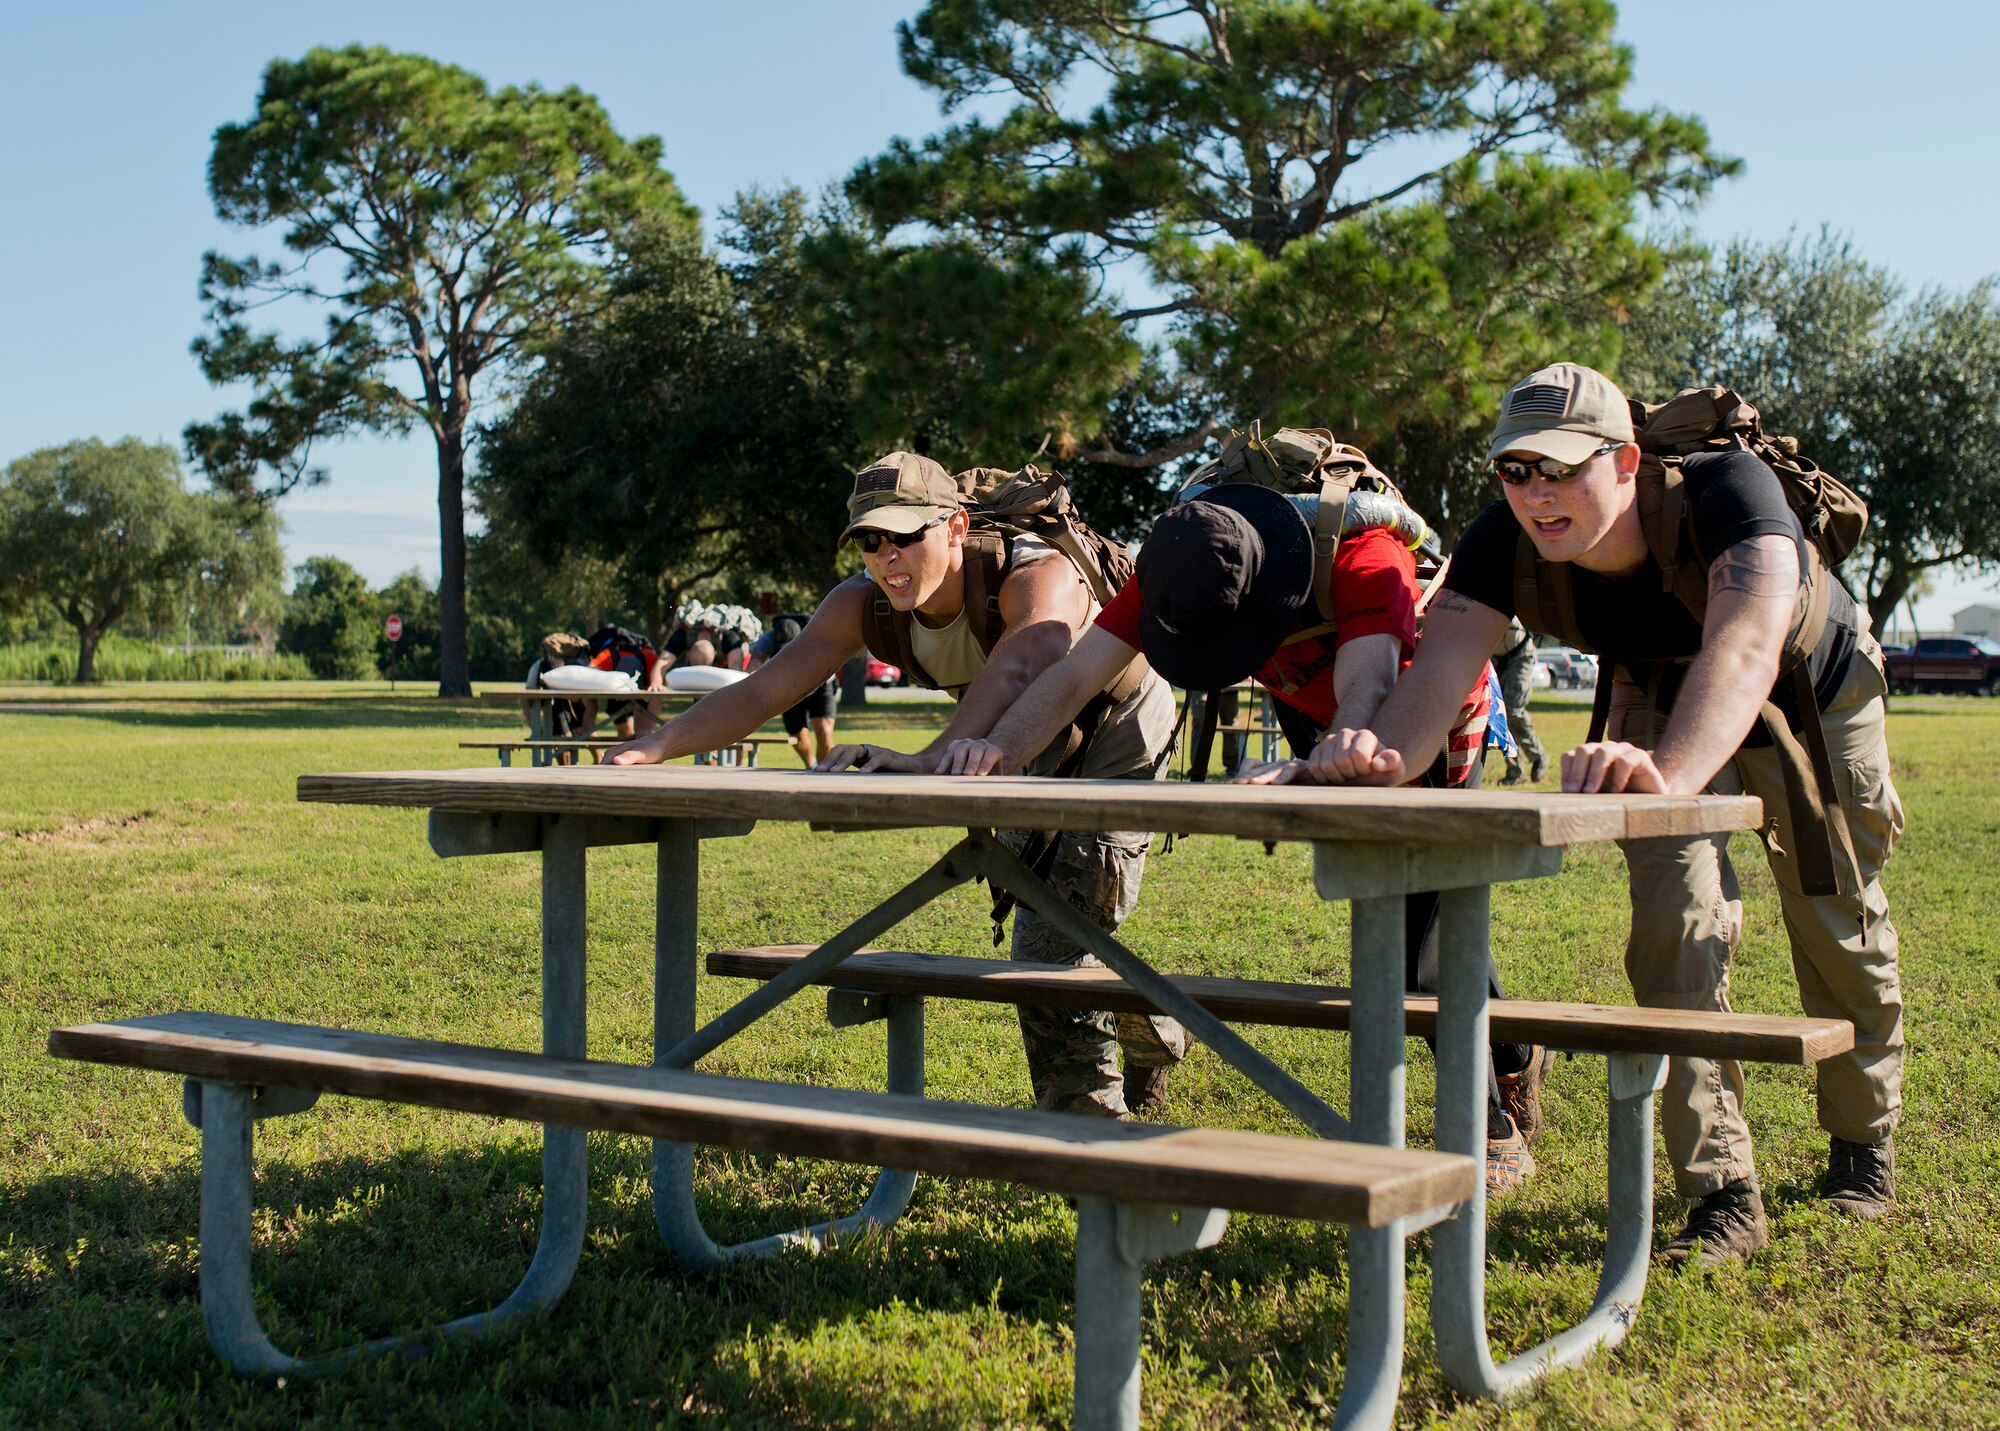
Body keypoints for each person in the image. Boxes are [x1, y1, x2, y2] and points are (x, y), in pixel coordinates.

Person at [1307, 362, 1904, 1266]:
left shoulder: (1731, 493)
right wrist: (1350, 766)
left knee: (1834, 923)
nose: (1535, 494)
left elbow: (1744, 647)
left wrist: (1663, 774)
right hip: (1661, 699)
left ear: (1626, 461)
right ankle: (1723, 1193)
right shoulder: (1496, 543)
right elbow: (1429, 690)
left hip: (1811, 694)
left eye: (1560, 468)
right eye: (1515, 470)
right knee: (1675, 929)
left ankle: (1864, 1144)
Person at [936, 480, 1552, 1196]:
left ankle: (1487, 1120)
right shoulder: (1177, 566)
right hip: (1317, 717)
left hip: (1429, 712)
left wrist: (1329, 758)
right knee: (1403, 911)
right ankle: (1513, 1047)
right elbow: (1074, 675)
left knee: (1416, 922)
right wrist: (995, 751)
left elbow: (1372, 682)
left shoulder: (1367, 556)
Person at [605, 451, 1186, 1119]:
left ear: (957, 526)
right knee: (1061, 922)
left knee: (1050, 940)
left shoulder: (1035, 573)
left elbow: (1028, 658)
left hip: (1114, 728)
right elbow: (768, 685)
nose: (887, 557)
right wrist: (657, 743)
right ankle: (1160, 1028)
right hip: (999, 740)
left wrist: (931, 757)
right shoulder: (862, 605)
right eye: (870, 541)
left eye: (906, 534)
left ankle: (1095, 1150)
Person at [747, 614, 838, 765]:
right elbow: (755, 662)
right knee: (798, 736)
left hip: (821, 682)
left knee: (824, 732)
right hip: (789, 685)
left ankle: (824, 771)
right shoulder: (769, 638)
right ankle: (811, 765)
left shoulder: (816, 636)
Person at [584, 624, 666, 738]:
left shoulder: (647, 655)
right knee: (627, 734)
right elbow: (590, 671)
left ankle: (642, 738)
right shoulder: (609, 654)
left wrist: (647, 728)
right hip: (617, 694)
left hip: (642, 693)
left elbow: (660, 684)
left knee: (641, 735)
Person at [1491, 617, 1547, 784]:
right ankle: (1515, 772)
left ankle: (1538, 755)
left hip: (1521, 655)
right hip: (1494, 658)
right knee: (1499, 716)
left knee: (1514, 711)